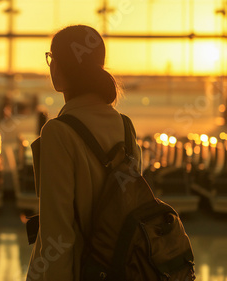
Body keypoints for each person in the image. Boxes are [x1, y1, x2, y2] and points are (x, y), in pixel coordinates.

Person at [26, 25, 142, 281]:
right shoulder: (125, 127)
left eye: (52, 57)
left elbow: (58, 233)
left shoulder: (57, 133)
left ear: (62, 66)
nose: (50, 65)